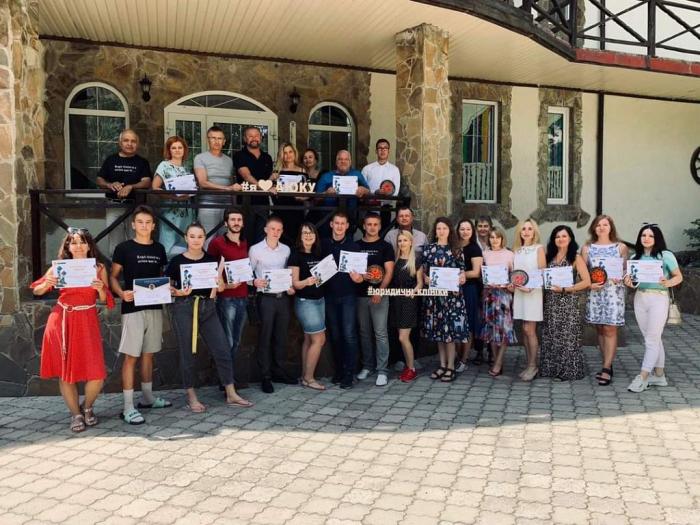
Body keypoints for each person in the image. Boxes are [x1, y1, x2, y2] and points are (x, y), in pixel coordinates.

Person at [31, 228, 114, 432]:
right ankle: (76, 414)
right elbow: (37, 290)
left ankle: (87, 407)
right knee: (65, 372)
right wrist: (47, 283)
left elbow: (105, 299)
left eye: (82, 242)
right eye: (73, 242)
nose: (78, 246)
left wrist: (100, 289)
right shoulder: (60, 267)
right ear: (68, 246)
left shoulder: (98, 267)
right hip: (62, 319)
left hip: (87, 320)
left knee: (97, 373)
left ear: (89, 245)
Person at [167, 223, 252, 413]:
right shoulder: (177, 261)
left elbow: (220, 287)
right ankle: (191, 396)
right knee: (187, 352)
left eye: (200, 236)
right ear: (186, 238)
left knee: (222, 349)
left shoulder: (212, 260)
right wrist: (178, 292)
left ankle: (231, 393)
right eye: (192, 236)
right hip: (184, 307)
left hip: (208, 307)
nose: (196, 240)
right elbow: (167, 286)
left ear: (204, 238)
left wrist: (220, 283)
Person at [110, 205, 171, 425]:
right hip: (132, 308)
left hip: (154, 307)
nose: (144, 226)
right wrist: (121, 293)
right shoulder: (123, 248)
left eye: (148, 222)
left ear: (153, 226)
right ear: (133, 225)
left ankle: (147, 398)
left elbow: (162, 277)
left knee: (148, 354)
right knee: (131, 356)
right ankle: (128, 407)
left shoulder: (159, 249)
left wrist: (169, 288)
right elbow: (113, 277)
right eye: (140, 222)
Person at [624, 224, 683, 393]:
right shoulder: (635, 257)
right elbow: (633, 281)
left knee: (651, 339)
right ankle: (659, 376)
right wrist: (629, 282)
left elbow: (678, 276)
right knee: (652, 338)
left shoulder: (665, 255)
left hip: (659, 298)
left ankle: (642, 377)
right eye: (643, 235)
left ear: (657, 238)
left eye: (650, 235)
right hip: (640, 298)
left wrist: (667, 282)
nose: (646, 238)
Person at [248, 215, 297, 393]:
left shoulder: (286, 250)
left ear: (282, 232)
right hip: (266, 298)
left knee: (281, 337)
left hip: (282, 298)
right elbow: (248, 273)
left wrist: (290, 286)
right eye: (272, 229)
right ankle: (265, 376)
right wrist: (254, 281)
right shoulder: (255, 250)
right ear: (265, 230)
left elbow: (288, 273)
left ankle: (279, 371)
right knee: (265, 337)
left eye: (279, 230)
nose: (275, 232)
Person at [581, 214, 628, 386]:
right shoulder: (587, 248)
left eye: (605, 225)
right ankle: (606, 362)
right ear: (594, 228)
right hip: (595, 293)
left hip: (613, 293)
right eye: (598, 225)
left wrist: (621, 276)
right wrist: (589, 283)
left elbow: (626, 270)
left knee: (610, 329)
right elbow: (582, 272)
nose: (601, 227)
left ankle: (607, 368)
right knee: (600, 329)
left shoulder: (620, 247)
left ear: (611, 227)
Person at [540, 225, 591, 381]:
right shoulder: (548, 257)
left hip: (568, 302)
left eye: (564, 236)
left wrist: (566, 289)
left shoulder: (576, 258)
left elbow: (587, 282)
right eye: (557, 237)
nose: (560, 239)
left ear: (570, 239)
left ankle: (568, 371)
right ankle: (551, 369)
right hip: (551, 302)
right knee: (552, 335)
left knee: (568, 338)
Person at [422, 217, 468, 383]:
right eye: (438, 228)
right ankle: (442, 365)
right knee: (439, 333)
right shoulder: (429, 249)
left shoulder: (456, 249)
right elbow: (424, 271)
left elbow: (462, 271)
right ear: (435, 231)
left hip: (452, 298)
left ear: (450, 231)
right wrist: (426, 278)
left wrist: (462, 277)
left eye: (444, 228)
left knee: (449, 334)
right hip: (435, 297)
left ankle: (450, 366)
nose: (441, 231)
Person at [321, 211, 364, 389]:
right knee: (335, 335)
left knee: (349, 335)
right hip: (329, 295)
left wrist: (359, 278)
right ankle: (339, 370)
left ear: (347, 226)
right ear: (331, 224)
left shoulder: (354, 247)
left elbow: (361, 276)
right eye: (336, 223)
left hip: (348, 296)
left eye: (342, 223)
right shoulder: (323, 244)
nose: (339, 226)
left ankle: (349, 373)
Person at [207, 207, 249, 387]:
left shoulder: (245, 242)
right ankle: (226, 382)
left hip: (243, 297)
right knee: (228, 341)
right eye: (232, 220)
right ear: (226, 223)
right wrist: (223, 284)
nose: (236, 223)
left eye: (239, 220)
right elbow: (210, 269)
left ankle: (228, 379)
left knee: (236, 341)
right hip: (226, 298)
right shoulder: (217, 243)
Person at [96, 129, 152, 256]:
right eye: (126, 140)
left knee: (137, 242)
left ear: (137, 144)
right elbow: (99, 179)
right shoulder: (111, 160)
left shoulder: (142, 162)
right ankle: (117, 268)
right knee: (115, 246)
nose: (129, 144)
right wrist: (109, 184)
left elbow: (147, 181)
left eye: (133, 141)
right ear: (120, 143)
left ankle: (134, 267)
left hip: (136, 207)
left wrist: (131, 186)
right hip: (114, 206)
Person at [355, 213, 395, 387]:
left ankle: (382, 370)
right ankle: (368, 366)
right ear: (364, 226)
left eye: (375, 224)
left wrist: (380, 291)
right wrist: (360, 276)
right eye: (369, 224)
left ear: (379, 226)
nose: (372, 227)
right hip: (360, 294)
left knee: (380, 333)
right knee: (364, 332)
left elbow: (389, 272)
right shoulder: (356, 246)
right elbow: (352, 270)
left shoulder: (385, 246)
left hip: (379, 295)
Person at [288, 223, 327, 391]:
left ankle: (305, 376)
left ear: (315, 235)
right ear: (300, 236)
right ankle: (310, 378)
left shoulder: (319, 253)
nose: (308, 236)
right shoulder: (295, 255)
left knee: (309, 339)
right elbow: (295, 283)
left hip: (320, 300)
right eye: (305, 233)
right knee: (320, 339)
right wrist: (307, 281)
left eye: (311, 233)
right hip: (305, 302)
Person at [512, 218, 546, 382]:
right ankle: (528, 364)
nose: (526, 232)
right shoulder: (517, 250)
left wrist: (530, 288)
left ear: (534, 232)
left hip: (533, 292)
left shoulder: (538, 249)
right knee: (524, 329)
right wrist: (512, 284)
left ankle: (533, 365)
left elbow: (542, 271)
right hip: (519, 293)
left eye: (530, 229)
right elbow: (514, 272)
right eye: (523, 229)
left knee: (529, 329)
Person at [480, 228, 517, 377]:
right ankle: (496, 360)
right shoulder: (485, 254)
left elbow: (514, 276)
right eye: (492, 237)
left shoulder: (509, 254)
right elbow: (482, 274)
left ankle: (499, 362)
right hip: (489, 295)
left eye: (497, 237)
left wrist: (511, 285)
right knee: (492, 330)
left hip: (504, 296)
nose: (494, 240)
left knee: (504, 329)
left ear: (502, 239)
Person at [152, 136, 196, 257]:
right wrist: (174, 197)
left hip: (187, 211)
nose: (177, 150)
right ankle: (167, 268)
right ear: (169, 150)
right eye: (174, 148)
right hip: (171, 211)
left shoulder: (187, 167)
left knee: (185, 244)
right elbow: (155, 187)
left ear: (184, 149)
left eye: (180, 147)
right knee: (168, 243)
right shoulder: (164, 165)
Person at [193, 126, 238, 245]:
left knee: (225, 240)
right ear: (208, 139)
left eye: (219, 138)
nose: (216, 141)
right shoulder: (200, 158)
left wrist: (233, 206)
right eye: (213, 138)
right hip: (208, 204)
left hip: (227, 205)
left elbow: (230, 182)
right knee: (208, 239)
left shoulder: (229, 160)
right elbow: (202, 182)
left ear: (224, 141)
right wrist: (227, 188)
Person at [389, 230, 423, 382]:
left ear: (411, 242)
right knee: (400, 337)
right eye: (400, 240)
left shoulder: (416, 260)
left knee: (403, 337)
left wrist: (413, 292)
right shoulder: (395, 259)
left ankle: (411, 368)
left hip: (409, 302)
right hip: (396, 301)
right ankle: (408, 366)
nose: (402, 243)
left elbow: (420, 283)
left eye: (405, 240)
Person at [315, 150, 370, 231]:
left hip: (351, 219)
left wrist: (363, 190)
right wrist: (326, 193)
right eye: (340, 159)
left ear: (350, 162)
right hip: (327, 220)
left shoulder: (357, 174)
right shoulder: (326, 176)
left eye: (346, 159)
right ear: (336, 162)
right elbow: (316, 197)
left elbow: (368, 191)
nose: (343, 161)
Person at [456, 219, 483, 372]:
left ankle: (464, 359)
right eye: (462, 229)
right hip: (453, 290)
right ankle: (457, 356)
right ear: (457, 230)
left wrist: (458, 274)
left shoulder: (474, 249)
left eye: (468, 229)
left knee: (467, 324)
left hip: (469, 290)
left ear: (472, 231)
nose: (465, 232)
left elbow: (476, 272)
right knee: (455, 323)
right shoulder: (453, 246)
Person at [273, 142, 307, 243]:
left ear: (295, 153)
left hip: (297, 208)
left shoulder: (302, 170)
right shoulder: (277, 171)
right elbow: (268, 187)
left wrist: (303, 197)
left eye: (290, 152)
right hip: (281, 209)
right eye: (285, 152)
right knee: (281, 238)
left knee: (296, 238)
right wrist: (271, 184)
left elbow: (307, 192)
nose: (288, 155)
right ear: (281, 155)